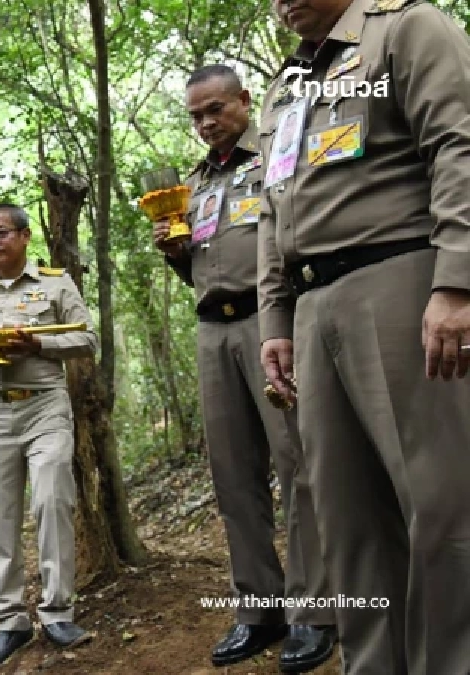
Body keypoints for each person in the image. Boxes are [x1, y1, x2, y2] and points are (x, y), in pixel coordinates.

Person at [256, 1, 470, 672]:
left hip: (403, 283)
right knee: (348, 522)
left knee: (439, 508)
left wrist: (458, 280)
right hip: (314, 308)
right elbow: (271, 208)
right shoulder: (285, 86)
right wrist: (276, 319)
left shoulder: (406, 28)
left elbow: (458, 143)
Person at [156, 64, 335, 672]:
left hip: (272, 321)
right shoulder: (196, 183)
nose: (206, 124)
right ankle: (259, 608)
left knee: (298, 463)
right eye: (196, 116)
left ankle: (317, 610)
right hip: (213, 330)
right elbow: (201, 269)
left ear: (244, 101)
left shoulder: (278, 152)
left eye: (216, 110)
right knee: (234, 477)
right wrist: (179, 254)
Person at [0, 204, 97, 672]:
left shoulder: (55, 283)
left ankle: (58, 612)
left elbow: (86, 340)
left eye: (1, 233)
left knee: (53, 501)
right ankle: (10, 621)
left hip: (45, 405)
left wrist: (37, 344)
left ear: (24, 235)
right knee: (1, 517)